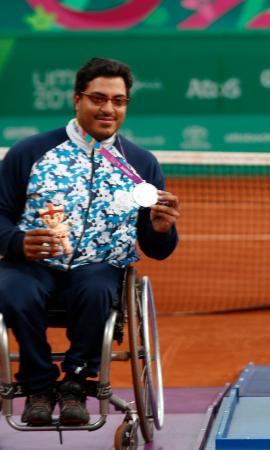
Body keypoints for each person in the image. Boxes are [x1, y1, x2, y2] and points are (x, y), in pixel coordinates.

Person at [0, 57, 180, 426]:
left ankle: (77, 384)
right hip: (32, 266)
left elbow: (156, 249)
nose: (108, 108)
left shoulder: (141, 164)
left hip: (99, 269)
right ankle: (37, 385)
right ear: (77, 99)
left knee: (97, 291)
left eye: (118, 101)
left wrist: (161, 229)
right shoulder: (29, 153)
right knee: (13, 290)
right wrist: (17, 242)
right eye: (98, 99)